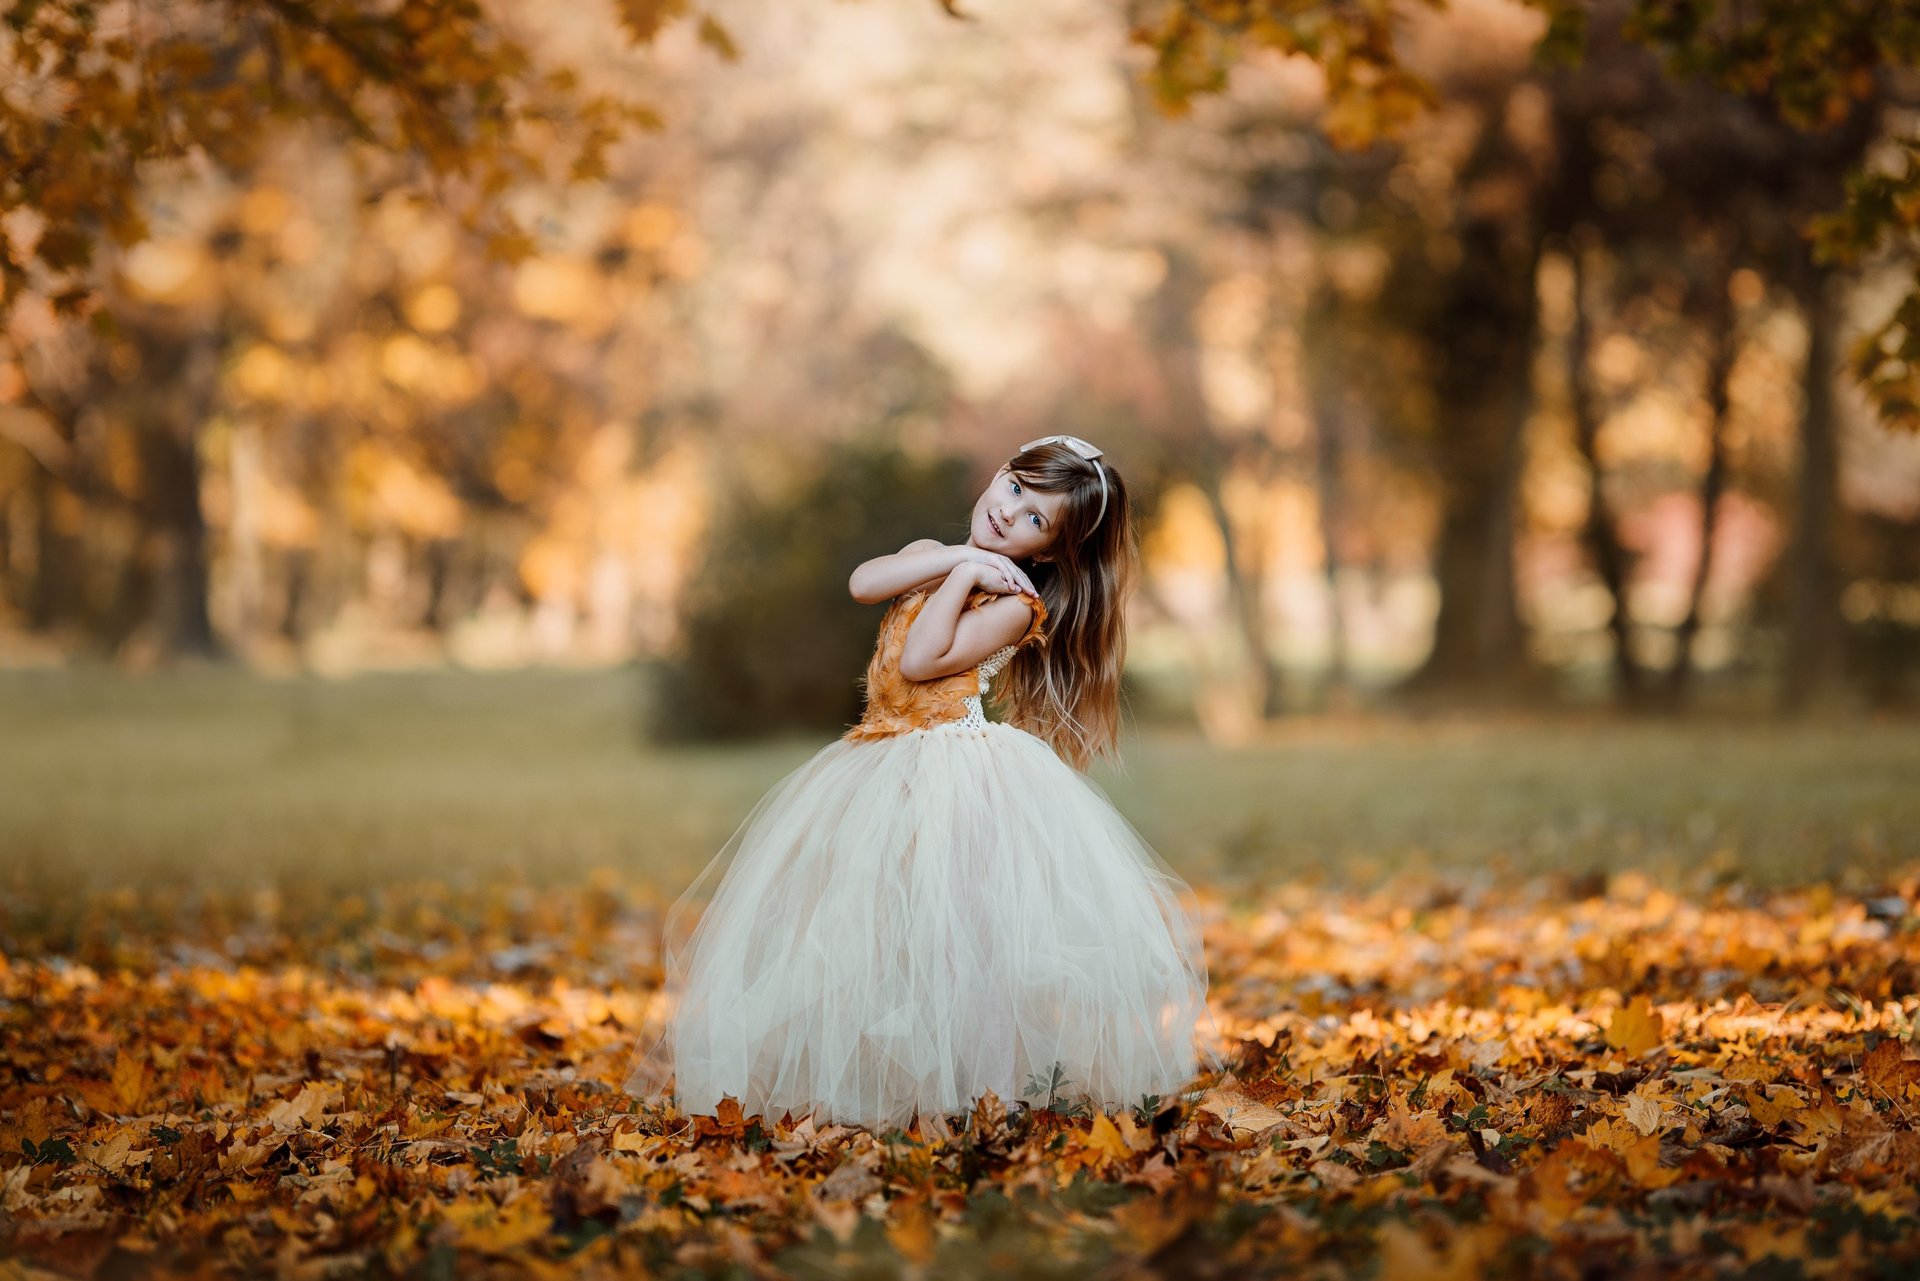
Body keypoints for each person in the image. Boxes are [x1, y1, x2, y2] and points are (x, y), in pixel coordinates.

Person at [620, 435, 1219, 1132]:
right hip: (881, 763)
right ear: (998, 475)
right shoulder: (941, 557)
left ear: (1051, 551)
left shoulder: (1016, 605)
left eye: (1035, 520)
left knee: (962, 942)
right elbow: (864, 581)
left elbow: (921, 656)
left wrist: (965, 576)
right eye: (1015, 488)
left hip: (957, 779)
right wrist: (960, 558)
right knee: (874, 932)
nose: (1009, 512)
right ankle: (899, 1084)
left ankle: (987, 1096)